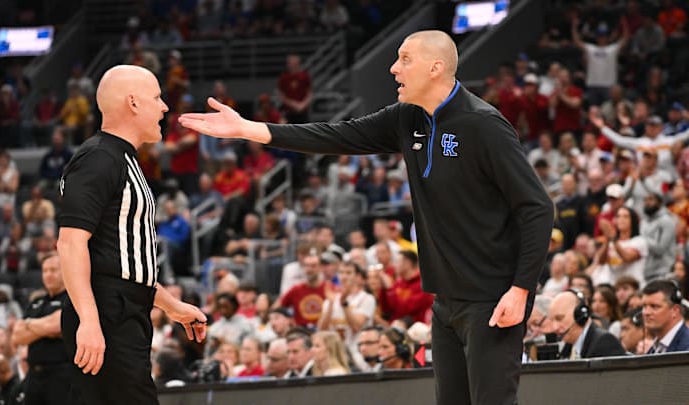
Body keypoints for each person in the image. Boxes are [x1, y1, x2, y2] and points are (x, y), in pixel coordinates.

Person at [181, 30, 553, 404]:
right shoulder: (408, 118)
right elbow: (336, 135)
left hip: (492, 299)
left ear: (436, 67)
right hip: (445, 301)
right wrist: (249, 130)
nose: (393, 69)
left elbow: (537, 208)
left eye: (405, 59)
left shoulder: (484, 124)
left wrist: (521, 290)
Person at [57, 65, 207, 405]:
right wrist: (90, 321)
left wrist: (172, 307)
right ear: (133, 103)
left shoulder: (124, 159)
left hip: (123, 310)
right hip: (107, 313)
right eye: (157, 97)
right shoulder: (99, 157)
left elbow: (121, 260)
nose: (165, 107)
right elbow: (70, 243)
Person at [11, 253, 71, 405]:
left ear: (65, 271)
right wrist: (45, 327)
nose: (48, 275)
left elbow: (57, 326)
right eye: (45, 271)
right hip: (34, 375)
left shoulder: (70, 299)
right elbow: (17, 336)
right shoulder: (36, 301)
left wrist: (29, 324)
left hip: (61, 374)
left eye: (53, 270)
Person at [548, 291, 626, 359]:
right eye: (552, 320)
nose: (555, 328)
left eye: (559, 318)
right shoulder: (567, 345)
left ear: (580, 314)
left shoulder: (605, 342)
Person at [642, 280, 689, 353]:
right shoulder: (654, 348)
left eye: (654, 306)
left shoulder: (686, 346)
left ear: (675, 310)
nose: (646, 312)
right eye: (644, 306)